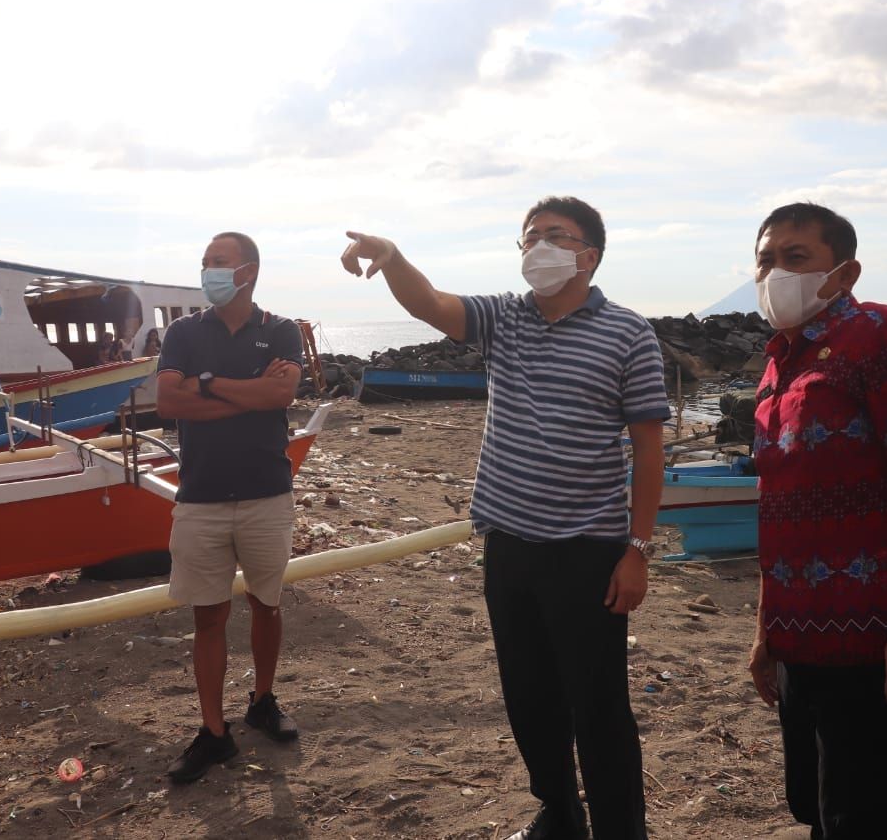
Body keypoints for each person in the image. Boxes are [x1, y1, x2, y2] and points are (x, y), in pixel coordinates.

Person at [341, 196, 669, 840]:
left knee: (599, 704)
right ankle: (558, 811)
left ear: (589, 255)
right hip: (510, 545)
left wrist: (638, 549)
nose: (537, 247)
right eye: (528, 238)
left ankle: (620, 830)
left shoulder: (629, 334)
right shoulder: (503, 318)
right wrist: (393, 256)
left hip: (589, 551)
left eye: (555, 236)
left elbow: (649, 447)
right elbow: (430, 304)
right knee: (529, 693)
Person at [745, 203, 887, 839]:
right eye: (765, 260)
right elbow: (779, 501)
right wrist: (768, 629)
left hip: (880, 638)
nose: (775, 273)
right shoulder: (781, 360)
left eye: (796, 258)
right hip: (799, 637)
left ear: (844, 273)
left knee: (865, 819)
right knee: (814, 808)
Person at [155, 231, 305, 784]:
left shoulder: (281, 329)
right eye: (204, 262)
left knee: (267, 604)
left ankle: (262, 701)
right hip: (201, 498)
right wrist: (246, 394)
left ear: (249, 271)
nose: (207, 271)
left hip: (267, 492)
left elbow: (280, 397)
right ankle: (214, 733)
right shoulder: (183, 332)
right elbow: (169, 402)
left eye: (218, 262)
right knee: (208, 617)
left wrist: (211, 386)